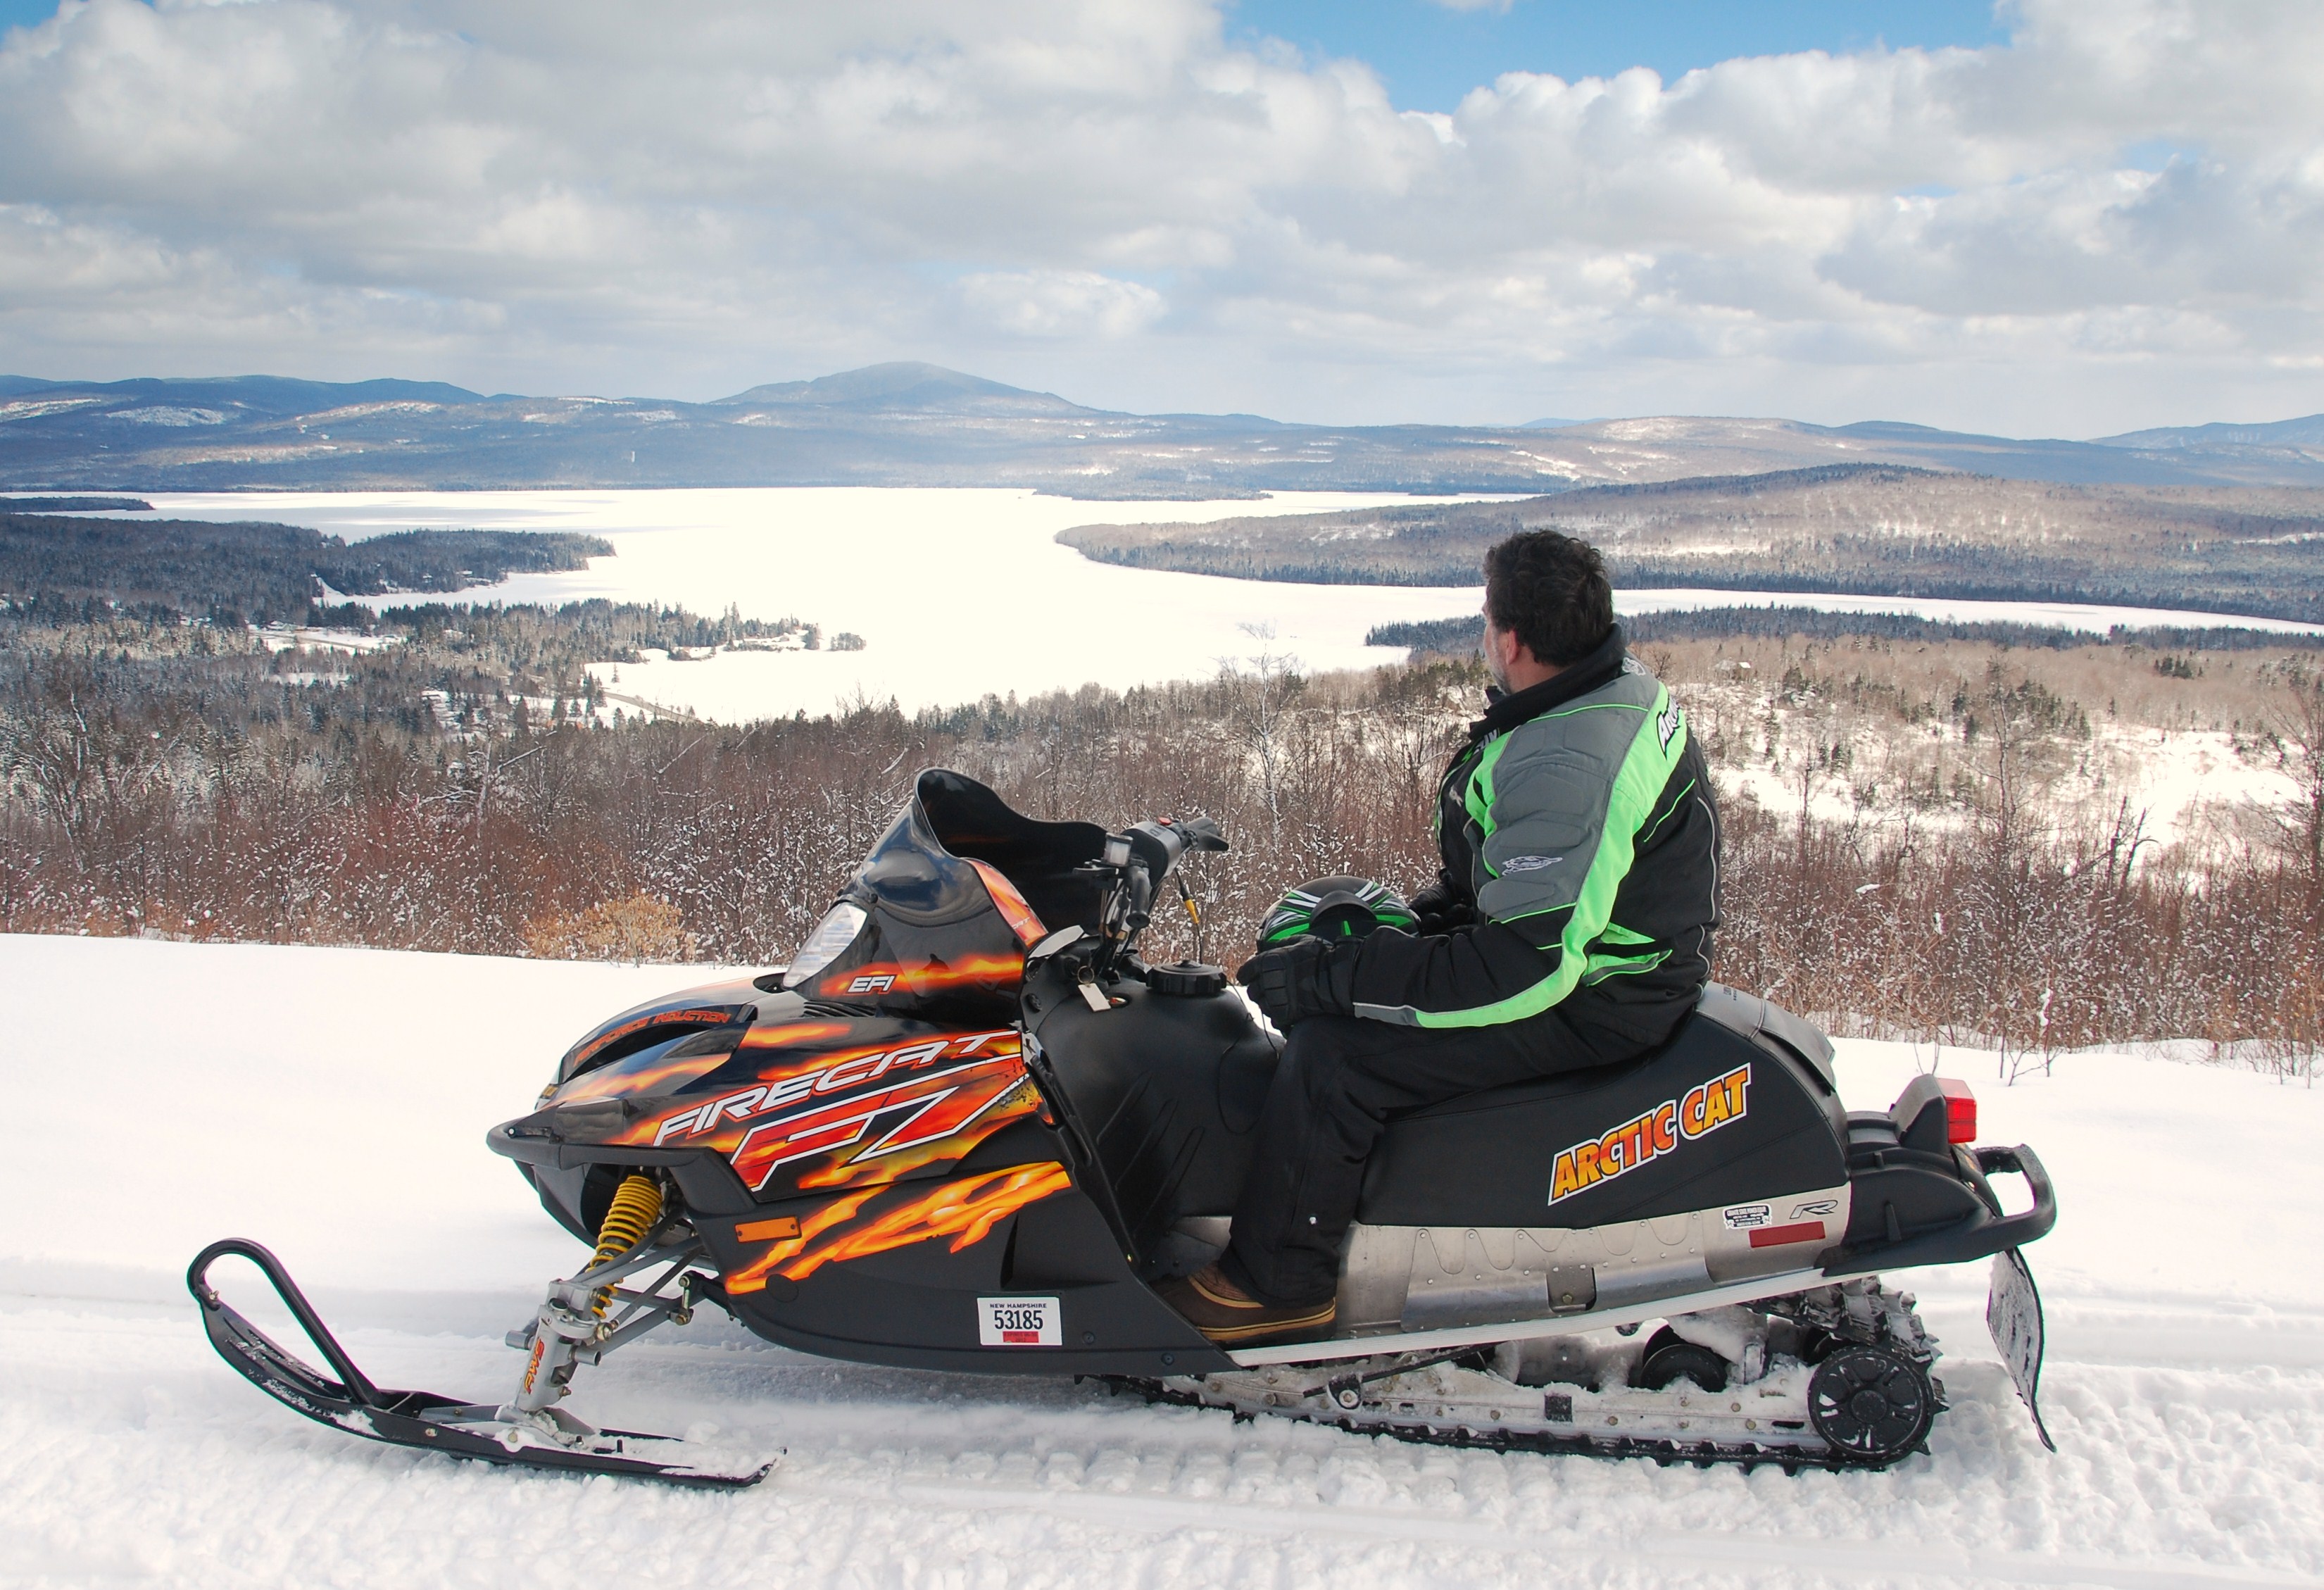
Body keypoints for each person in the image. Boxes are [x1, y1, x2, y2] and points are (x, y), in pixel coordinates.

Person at [1155, 529, 1721, 1344]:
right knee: (1352, 961)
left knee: (1333, 1059)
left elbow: (1527, 965)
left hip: (1600, 993)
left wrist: (1337, 983)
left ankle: (1278, 1284)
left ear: (1514, 641)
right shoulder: (1593, 689)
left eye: (1487, 619)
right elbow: (1525, 889)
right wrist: (1406, 933)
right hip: (1601, 955)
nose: (1483, 633)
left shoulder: (1570, 757)